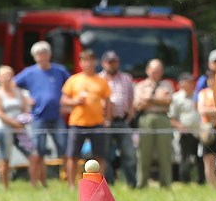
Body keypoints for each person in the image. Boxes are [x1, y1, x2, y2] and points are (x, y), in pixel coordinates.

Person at [14, 41, 70, 187]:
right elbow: (12, 85)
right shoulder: (29, 72)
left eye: (45, 53)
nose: (42, 56)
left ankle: (70, 183)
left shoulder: (60, 71)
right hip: (38, 117)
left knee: (65, 149)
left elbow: (71, 87)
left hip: (57, 117)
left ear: (50, 55)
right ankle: (38, 184)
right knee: (38, 153)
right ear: (35, 57)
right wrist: (25, 99)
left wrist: (66, 105)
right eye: (39, 54)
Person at [61, 50, 112, 189]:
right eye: (85, 60)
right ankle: (71, 185)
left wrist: (107, 119)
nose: (88, 63)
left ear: (95, 62)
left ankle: (99, 186)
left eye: (90, 60)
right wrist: (74, 101)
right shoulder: (74, 80)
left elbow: (107, 102)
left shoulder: (102, 81)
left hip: (97, 123)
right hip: (77, 123)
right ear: (80, 63)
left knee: (99, 156)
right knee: (72, 156)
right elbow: (63, 100)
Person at [0, 65, 39, 188]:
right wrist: (15, 123)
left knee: (33, 155)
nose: (7, 78)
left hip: (20, 130)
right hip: (4, 129)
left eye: (9, 75)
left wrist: (24, 119)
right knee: (5, 159)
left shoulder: (19, 92)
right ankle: (5, 187)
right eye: (4, 75)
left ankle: (35, 185)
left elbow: (25, 109)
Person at [134, 59, 174, 188]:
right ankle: (141, 183)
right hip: (146, 119)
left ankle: (166, 184)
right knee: (144, 153)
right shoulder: (140, 86)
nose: (156, 74)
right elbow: (138, 105)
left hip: (163, 118)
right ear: (147, 71)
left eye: (158, 71)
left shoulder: (167, 85)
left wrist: (150, 99)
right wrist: (159, 99)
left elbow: (168, 101)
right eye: (153, 71)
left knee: (165, 152)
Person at [99, 50, 137, 187]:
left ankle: (132, 184)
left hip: (123, 121)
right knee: (105, 155)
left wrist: (128, 119)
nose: (112, 65)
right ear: (103, 63)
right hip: (104, 123)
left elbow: (132, 100)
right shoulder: (98, 79)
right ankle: (109, 184)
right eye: (109, 62)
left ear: (118, 63)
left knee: (129, 154)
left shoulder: (127, 78)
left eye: (114, 62)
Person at [170, 73, 201, 183]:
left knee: (199, 158)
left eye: (191, 82)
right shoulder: (176, 98)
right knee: (185, 158)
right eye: (188, 82)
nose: (191, 84)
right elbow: (171, 118)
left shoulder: (197, 95)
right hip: (185, 133)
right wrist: (181, 128)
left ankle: (200, 181)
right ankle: (185, 181)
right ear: (182, 84)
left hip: (199, 132)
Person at [197, 84, 216, 187]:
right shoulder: (203, 93)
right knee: (209, 160)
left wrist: (209, 110)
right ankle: (212, 186)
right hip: (208, 131)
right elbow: (201, 110)